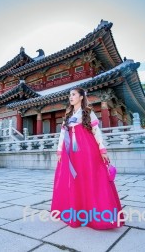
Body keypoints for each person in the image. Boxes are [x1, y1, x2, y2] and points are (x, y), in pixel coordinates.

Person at [51, 87, 124, 229]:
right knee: (72, 180)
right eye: (69, 95)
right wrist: (59, 151)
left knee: (90, 178)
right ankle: (76, 213)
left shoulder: (88, 113)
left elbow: (96, 131)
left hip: (87, 149)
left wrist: (102, 149)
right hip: (70, 151)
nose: (70, 97)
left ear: (81, 97)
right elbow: (62, 135)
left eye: (73, 94)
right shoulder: (67, 115)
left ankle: (96, 215)